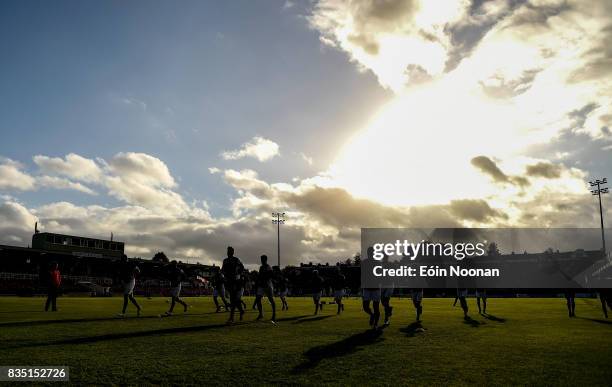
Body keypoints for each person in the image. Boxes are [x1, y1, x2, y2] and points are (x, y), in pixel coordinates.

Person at [222, 246, 246, 323]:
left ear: (233, 252)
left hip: (236, 281)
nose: (228, 252)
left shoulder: (236, 259)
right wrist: (224, 275)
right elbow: (223, 270)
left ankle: (231, 318)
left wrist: (238, 273)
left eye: (229, 251)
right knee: (235, 300)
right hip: (229, 281)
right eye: (227, 251)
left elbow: (242, 267)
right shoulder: (225, 261)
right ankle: (241, 311)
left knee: (233, 300)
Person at [362, 247, 381, 329]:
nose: (371, 253)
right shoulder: (365, 262)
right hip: (367, 288)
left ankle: (376, 324)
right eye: (369, 252)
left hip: (376, 288)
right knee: (365, 307)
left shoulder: (377, 263)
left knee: (376, 307)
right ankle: (372, 315)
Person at [254, 255, 276, 323]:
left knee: (271, 300)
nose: (262, 260)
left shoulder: (268, 267)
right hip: (261, 286)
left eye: (263, 259)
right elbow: (260, 276)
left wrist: (264, 277)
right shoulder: (261, 267)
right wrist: (258, 281)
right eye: (261, 259)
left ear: (266, 259)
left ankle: (274, 314)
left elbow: (271, 275)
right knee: (258, 299)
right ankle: (261, 314)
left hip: (267, 285)